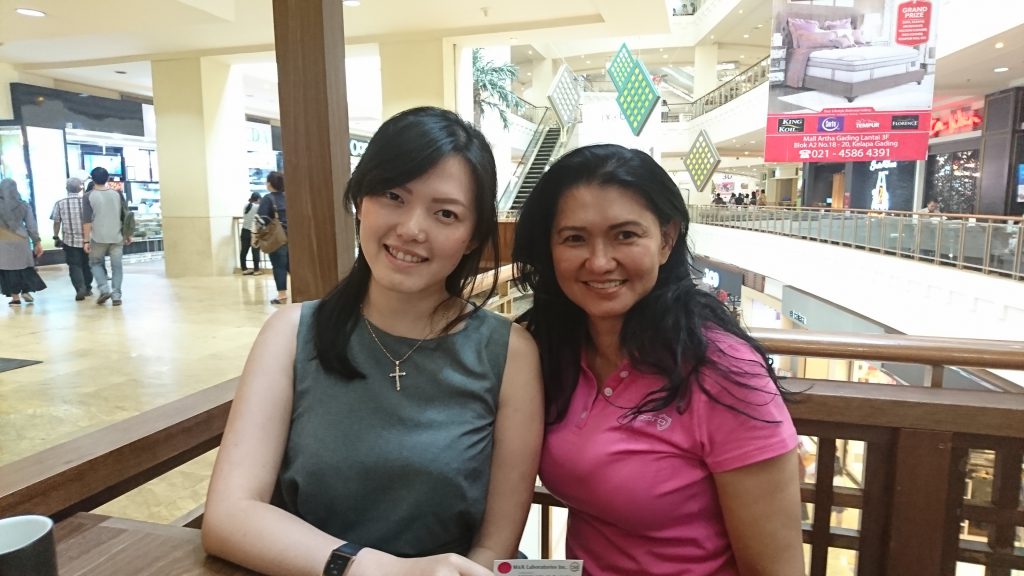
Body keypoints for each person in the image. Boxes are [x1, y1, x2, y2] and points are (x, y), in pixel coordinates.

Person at [202, 107, 544, 576]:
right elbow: (230, 515)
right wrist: (375, 570)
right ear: (361, 201)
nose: (412, 229)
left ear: (471, 237)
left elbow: (494, 548)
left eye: (445, 213)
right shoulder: (290, 334)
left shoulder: (509, 353)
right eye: (393, 196)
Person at [512, 144, 803, 576]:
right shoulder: (552, 348)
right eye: (574, 238)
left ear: (666, 239)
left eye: (625, 235)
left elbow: (775, 570)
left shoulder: (723, 369)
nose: (599, 262)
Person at [83, 167, 131, 306]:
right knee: (117, 266)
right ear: (108, 178)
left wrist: (86, 241)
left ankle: (104, 289)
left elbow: (87, 221)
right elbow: (125, 215)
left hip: (98, 237)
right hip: (117, 236)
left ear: (92, 179)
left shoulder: (88, 196)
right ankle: (116, 296)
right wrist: (128, 234)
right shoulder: (117, 194)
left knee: (95, 263)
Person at [0, 178, 47, 306]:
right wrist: (37, 242)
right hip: (21, 241)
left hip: (3, 241)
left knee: (9, 270)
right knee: (24, 267)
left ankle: (15, 298)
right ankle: (26, 290)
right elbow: (31, 226)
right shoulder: (23, 205)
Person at [51, 177, 95, 301]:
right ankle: (88, 287)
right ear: (81, 189)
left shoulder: (60, 203)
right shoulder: (87, 202)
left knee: (75, 265)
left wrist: (56, 236)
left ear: (66, 188)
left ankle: (80, 288)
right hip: (88, 240)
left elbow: (56, 222)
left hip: (70, 241)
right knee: (87, 264)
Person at [259, 171, 288, 303]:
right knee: (292, 265)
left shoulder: (268, 198)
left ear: (270, 184)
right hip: (292, 237)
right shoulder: (288, 197)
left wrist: (257, 234)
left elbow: (262, 219)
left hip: (278, 238)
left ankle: (282, 295)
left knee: (279, 265)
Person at [239, 192, 262, 276]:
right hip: (254, 232)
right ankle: (256, 270)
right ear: (258, 199)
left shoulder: (246, 206)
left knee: (244, 251)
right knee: (255, 251)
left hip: (244, 231)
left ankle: (244, 269)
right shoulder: (258, 207)